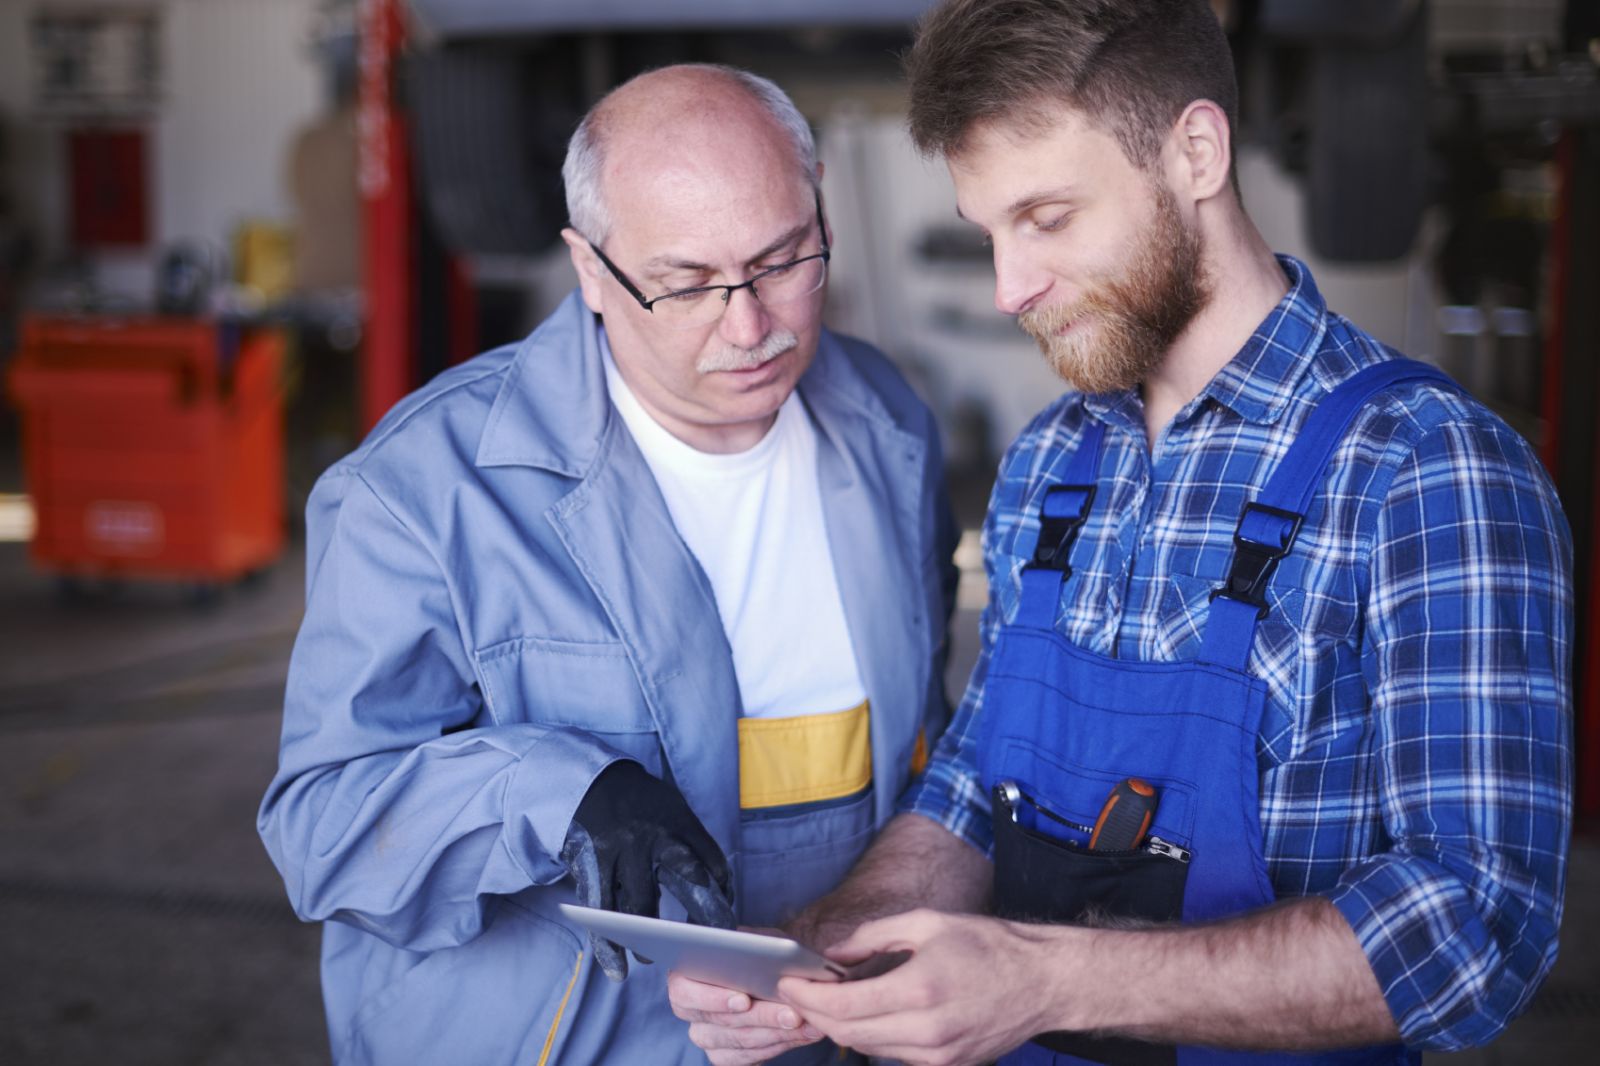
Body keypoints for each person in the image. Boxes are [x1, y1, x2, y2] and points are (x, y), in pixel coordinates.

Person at [669, 3, 1573, 1064]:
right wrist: (813, 953)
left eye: (1046, 217)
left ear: (1194, 150)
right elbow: (971, 783)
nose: (1010, 288)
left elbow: (1474, 927)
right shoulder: (1054, 460)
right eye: (989, 232)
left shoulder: (1423, 469)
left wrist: (1042, 981)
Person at [257, 63, 958, 1066]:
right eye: (683, 285)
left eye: (784, 259)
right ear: (590, 269)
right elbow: (319, 826)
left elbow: (924, 740)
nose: (750, 324)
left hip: (822, 1039)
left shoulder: (885, 423)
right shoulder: (426, 489)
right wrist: (554, 794)